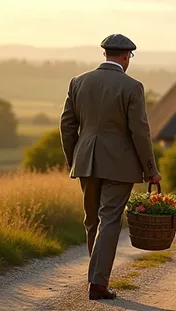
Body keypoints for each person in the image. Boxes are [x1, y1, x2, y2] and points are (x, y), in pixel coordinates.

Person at [59, 33, 162, 300]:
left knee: (91, 219)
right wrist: (150, 168)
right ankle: (98, 282)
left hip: (86, 161)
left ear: (105, 54)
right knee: (110, 220)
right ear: (126, 57)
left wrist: (74, 159)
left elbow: (67, 126)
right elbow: (140, 132)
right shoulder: (133, 87)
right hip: (120, 165)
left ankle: (97, 277)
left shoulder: (78, 82)